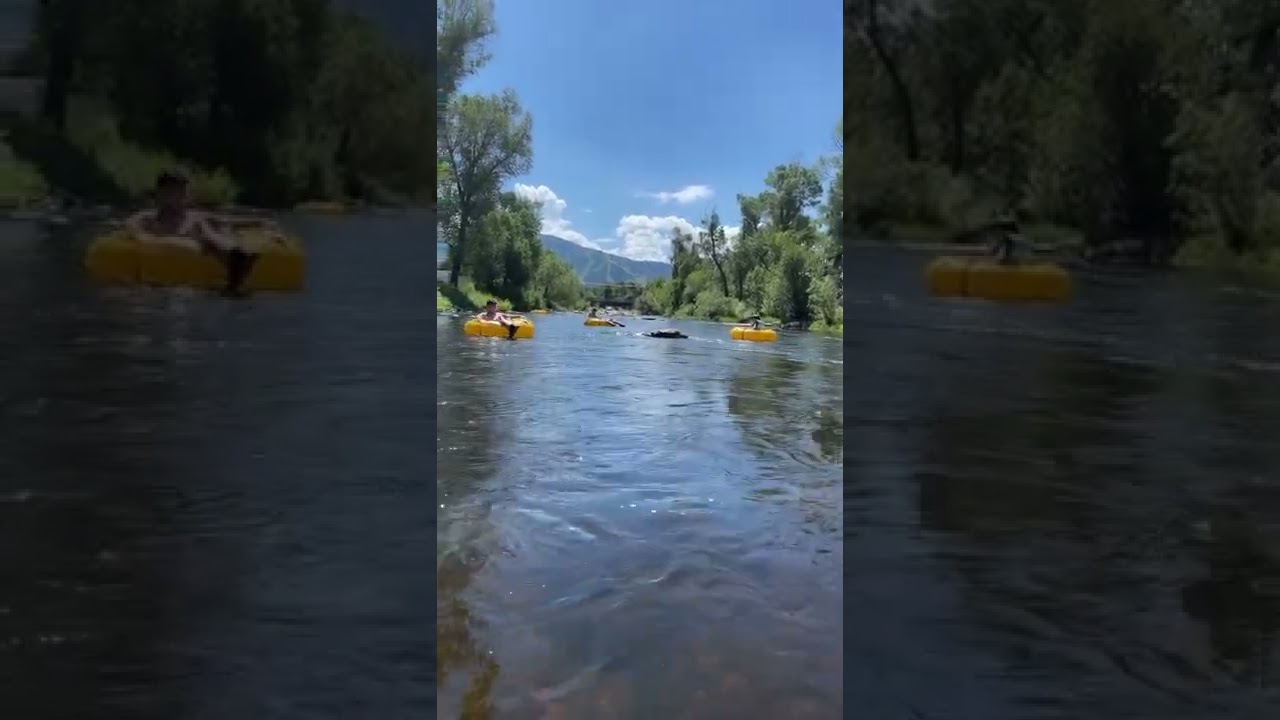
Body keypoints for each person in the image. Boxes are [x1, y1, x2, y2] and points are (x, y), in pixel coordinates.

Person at [124, 171, 261, 295]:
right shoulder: (148, 218)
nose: (179, 197)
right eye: (174, 192)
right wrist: (145, 238)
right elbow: (132, 226)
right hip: (182, 244)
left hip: (203, 242)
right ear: (160, 194)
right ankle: (235, 258)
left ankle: (236, 256)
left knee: (203, 227)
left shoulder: (194, 216)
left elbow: (226, 221)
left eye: (182, 193)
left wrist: (258, 222)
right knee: (202, 230)